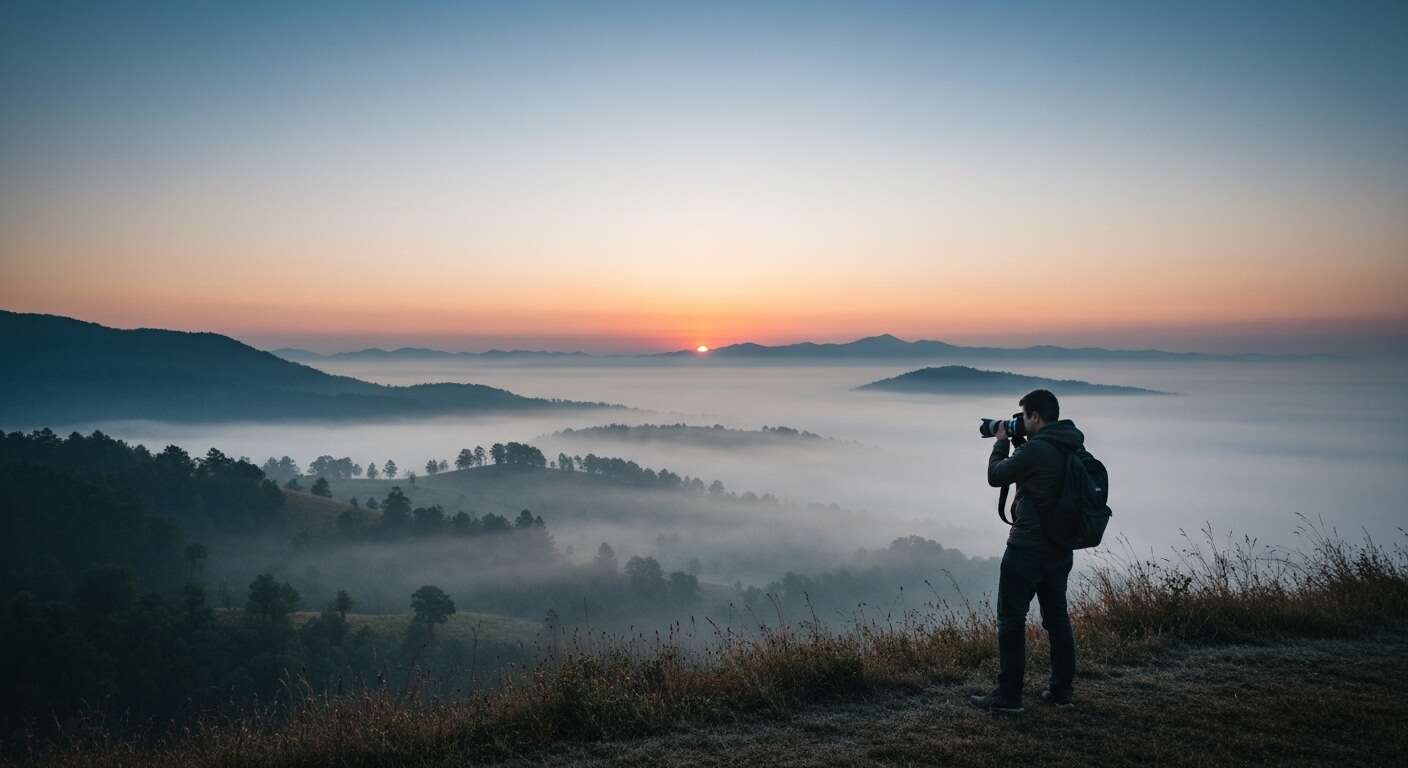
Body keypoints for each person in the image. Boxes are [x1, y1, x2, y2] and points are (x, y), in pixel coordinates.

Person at [969, 388, 1083, 713]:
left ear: (1034, 416)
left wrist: (1001, 441)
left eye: (1024, 417)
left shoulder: (1037, 451)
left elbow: (996, 476)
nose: (1022, 422)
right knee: (1057, 619)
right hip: (1060, 549)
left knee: (1011, 619)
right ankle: (1061, 691)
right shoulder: (1070, 444)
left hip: (1027, 548)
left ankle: (1008, 697)